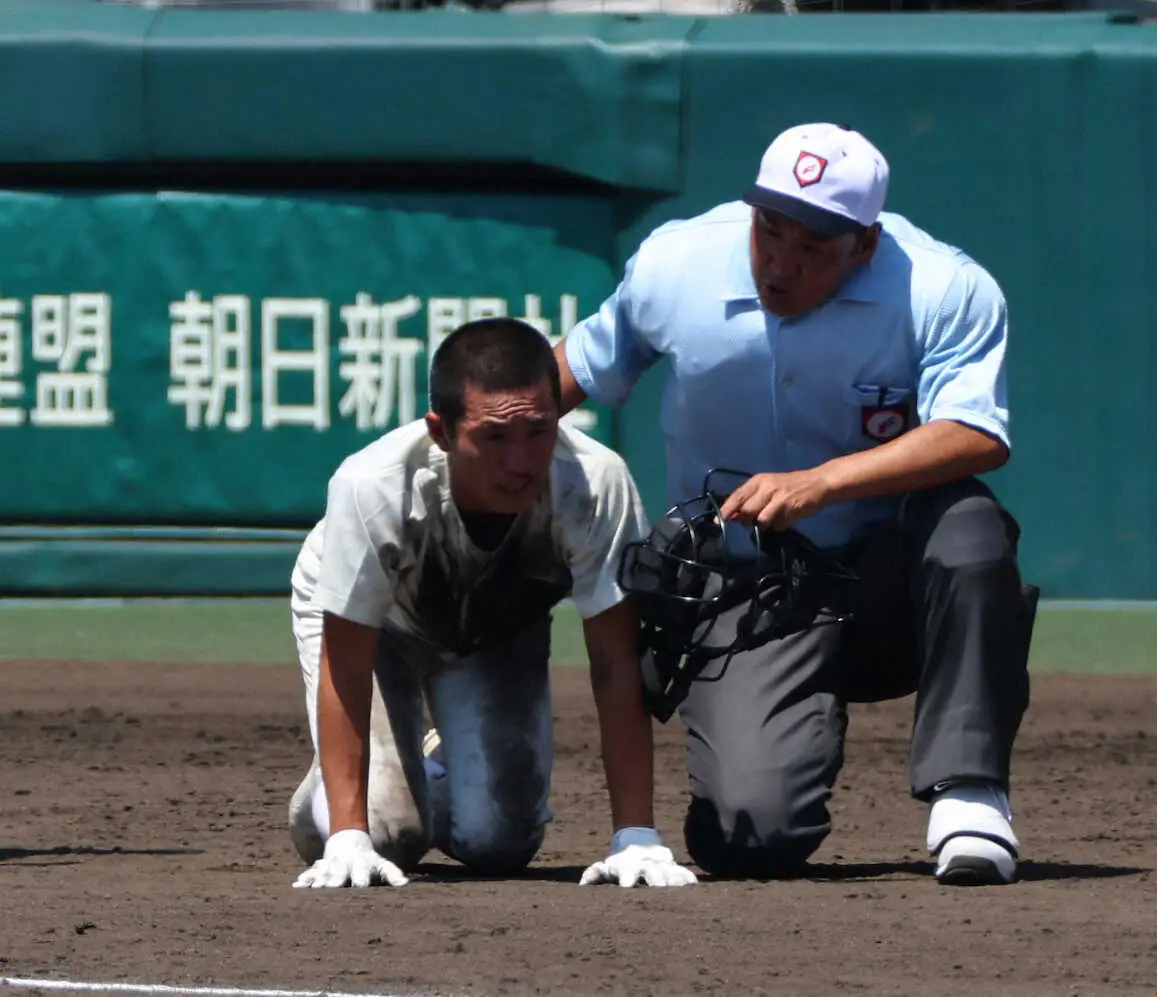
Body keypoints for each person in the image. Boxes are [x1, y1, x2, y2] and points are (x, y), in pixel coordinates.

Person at [553, 122, 1039, 886]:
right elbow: (571, 371)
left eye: (813, 246)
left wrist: (825, 480)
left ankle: (970, 793)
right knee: (750, 835)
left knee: (970, 528)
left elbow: (976, 433)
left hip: (890, 583)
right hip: (753, 593)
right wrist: (447, 435)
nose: (780, 260)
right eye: (769, 229)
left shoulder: (941, 288)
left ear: (865, 245)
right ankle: (785, 722)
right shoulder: (678, 263)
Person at [287, 316, 696, 890]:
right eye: (495, 438)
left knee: (499, 842)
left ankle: (419, 764)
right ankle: (330, 795)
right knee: (385, 836)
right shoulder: (373, 485)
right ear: (441, 431)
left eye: (539, 431)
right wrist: (348, 835)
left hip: (499, 626)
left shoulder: (596, 484)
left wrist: (636, 836)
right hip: (381, 625)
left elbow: (614, 662)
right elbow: (347, 663)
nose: (521, 461)